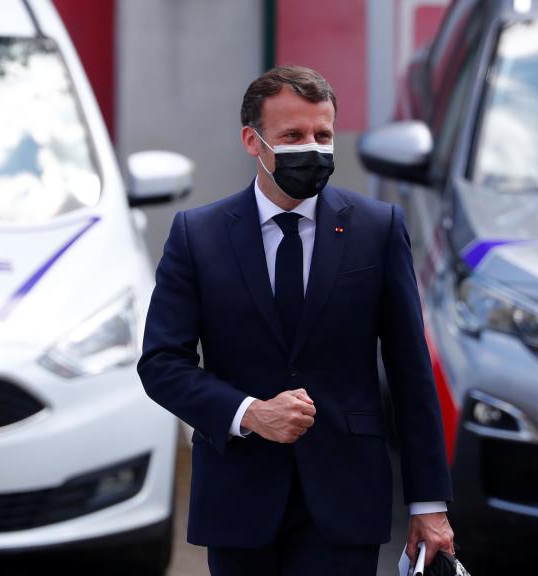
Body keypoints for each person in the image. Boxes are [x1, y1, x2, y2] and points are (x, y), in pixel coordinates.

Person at [137, 65, 455, 575]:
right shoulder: (198, 235)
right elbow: (161, 364)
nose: (312, 147)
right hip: (238, 499)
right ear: (253, 140)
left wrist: (429, 503)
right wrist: (247, 413)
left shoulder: (376, 228)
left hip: (346, 498)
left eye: (322, 134)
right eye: (293, 135)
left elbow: (411, 371)